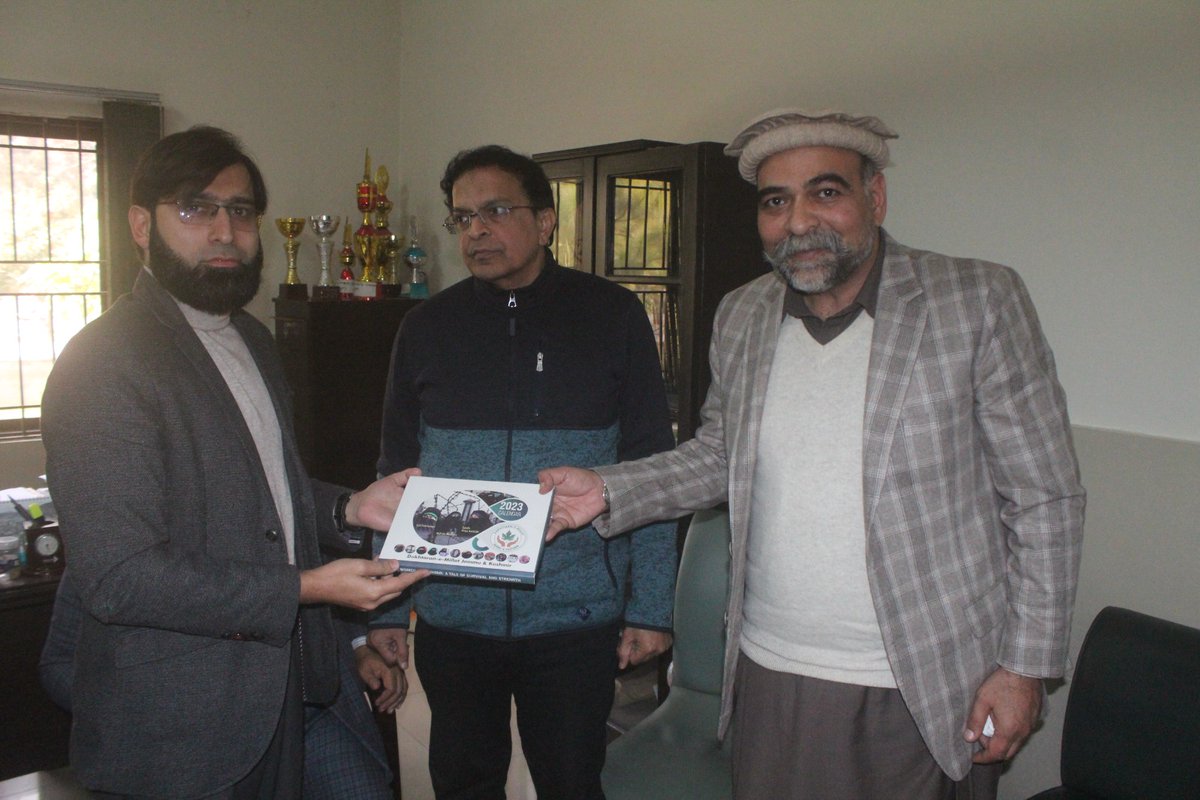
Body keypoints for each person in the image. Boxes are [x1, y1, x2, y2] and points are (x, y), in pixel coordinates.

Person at [539, 109, 1086, 799]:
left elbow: (1044, 498)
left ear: (875, 198)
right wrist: (609, 490)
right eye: (776, 201)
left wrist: (1024, 668)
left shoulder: (975, 301)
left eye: (825, 192)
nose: (797, 222)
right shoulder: (742, 313)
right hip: (770, 667)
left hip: (921, 679)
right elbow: (717, 456)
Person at [40, 125, 428, 799]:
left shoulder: (250, 336)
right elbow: (123, 578)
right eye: (196, 208)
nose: (225, 230)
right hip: (181, 723)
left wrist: (347, 508)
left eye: (241, 211)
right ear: (141, 224)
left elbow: (259, 494)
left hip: (287, 688)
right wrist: (308, 588)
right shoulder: (102, 363)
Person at [367, 144, 678, 800]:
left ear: (546, 221)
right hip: (453, 616)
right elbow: (393, 473)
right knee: (463, 782)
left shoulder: (612, 316)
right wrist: (387, 607)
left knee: (571, 782)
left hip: (574, 617)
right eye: (464, 218)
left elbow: (652, 468)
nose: (477, 230)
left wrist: (651, 606)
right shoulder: (427, 327)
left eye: (497, 211)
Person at [38, 574, 401, 799]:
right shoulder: (114, 561)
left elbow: (326, 579)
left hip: (309, 716)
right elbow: (58, 664)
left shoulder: (265, 516)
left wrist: (360, 648)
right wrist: (143, 706)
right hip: (194, 745)